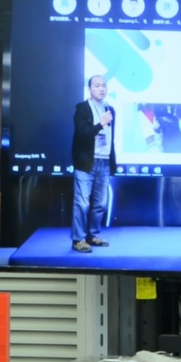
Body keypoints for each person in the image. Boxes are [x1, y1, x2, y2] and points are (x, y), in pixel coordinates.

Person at [71, 75, 116, 253]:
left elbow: (110, 138)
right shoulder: (82, 109)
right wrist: (101, 124)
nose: (102, 89)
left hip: (104, 162)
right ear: (89, 89)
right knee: (82, 203)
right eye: (97, 86)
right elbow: (82, 135)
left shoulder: (110, 109)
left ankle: (93, 235)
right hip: (86, 162)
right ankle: (78, 239)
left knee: (100, 204)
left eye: (104, 85)